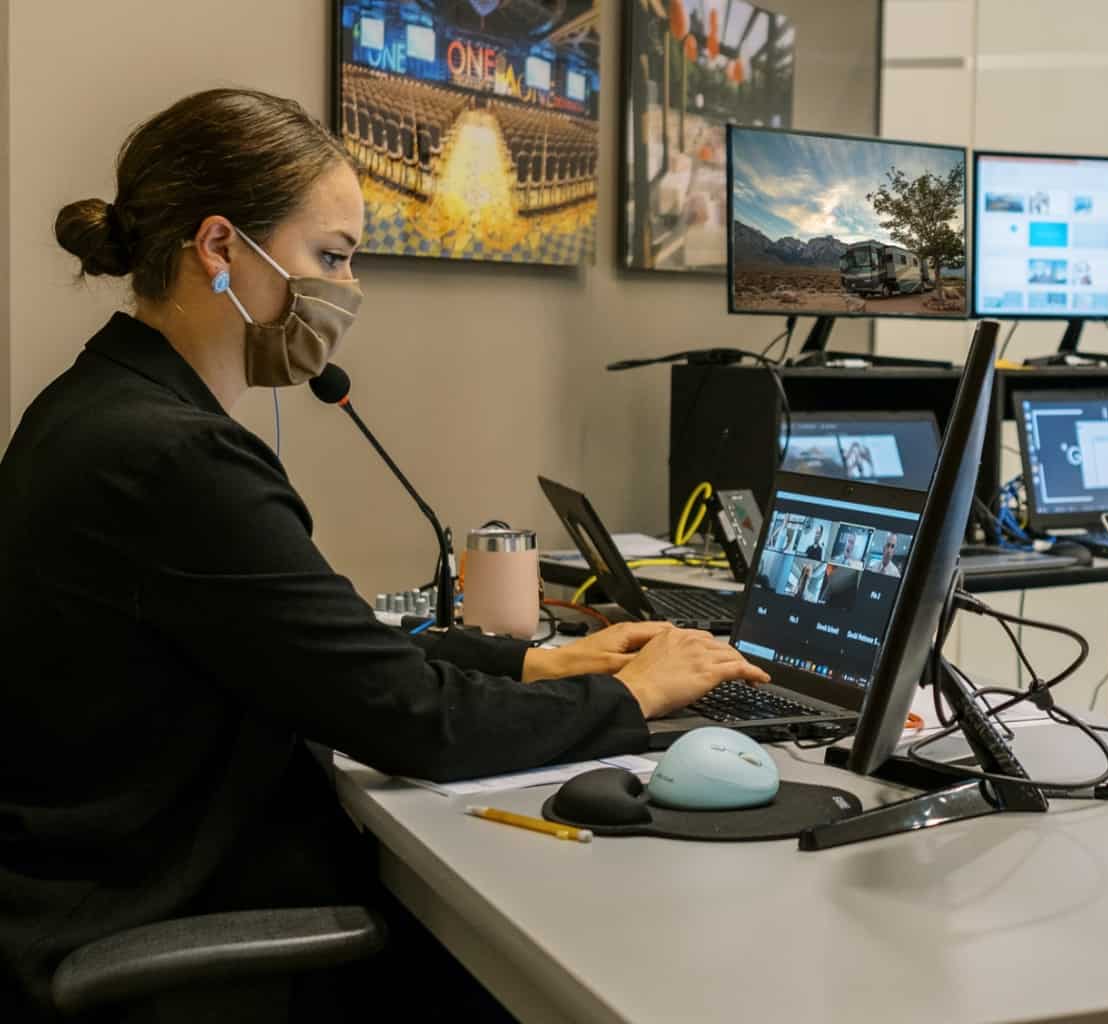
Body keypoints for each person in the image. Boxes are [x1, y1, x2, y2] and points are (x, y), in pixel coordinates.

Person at [0, 89, 768, 1019]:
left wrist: (537, 658)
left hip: (92, 882)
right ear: (218, 249)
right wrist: (633, 695)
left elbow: (324, 644)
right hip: (169, 908)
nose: (346, 290)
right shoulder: (173, 455)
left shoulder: (99, 405)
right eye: (330, 257)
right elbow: (413, 723)